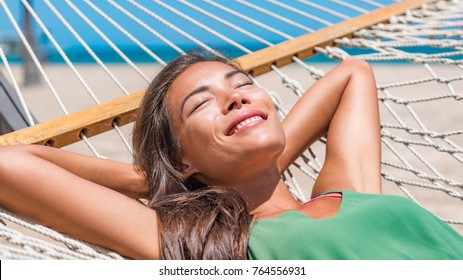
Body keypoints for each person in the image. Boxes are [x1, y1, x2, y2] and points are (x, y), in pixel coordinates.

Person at [0, 50, 462, 260]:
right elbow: (8, 165)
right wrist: (154, 180)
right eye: (201, 104)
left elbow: (353, 73)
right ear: (182, 160)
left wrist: (255, 154)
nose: (236, 98)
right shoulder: (210, 244)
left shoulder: (353, 192)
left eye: (242, 86)